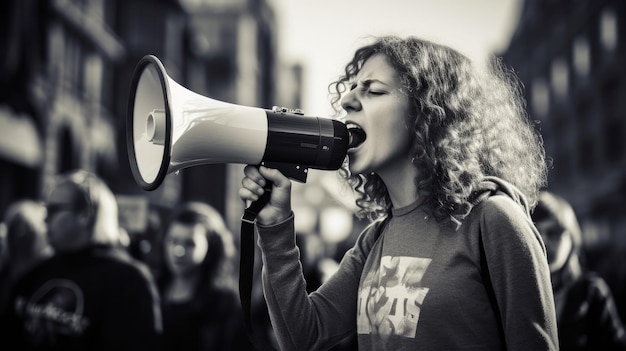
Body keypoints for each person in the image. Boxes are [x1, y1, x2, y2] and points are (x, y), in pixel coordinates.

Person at [239, 35, 558, 350]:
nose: (348, 101)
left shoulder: (493, 221)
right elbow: (304, 337)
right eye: (351, 90)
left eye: (374, 90)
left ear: (428, 115)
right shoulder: (375, 239)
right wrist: (275, 226)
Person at [1, 169, 162, 350]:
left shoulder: (129, 280)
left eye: (54, 209)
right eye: (45, 209)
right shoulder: (37, 270)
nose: (45, 218)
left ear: (85, 215)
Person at [532, 191, 626, 350]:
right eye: (537, 233)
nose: (544, 241)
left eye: (553, 232)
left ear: (572, 238)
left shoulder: (590, 292)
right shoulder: (524, 295)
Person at [158, 201, 254, 351]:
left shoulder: (224, 304)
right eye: (173, 241)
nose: (178, 251)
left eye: (190, 244)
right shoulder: (154, 289)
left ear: (210, 249)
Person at [0, 199, 53, 317]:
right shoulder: (5, 267)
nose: (20, 232)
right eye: (15, 226)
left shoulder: (48, 271)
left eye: (27, 227)